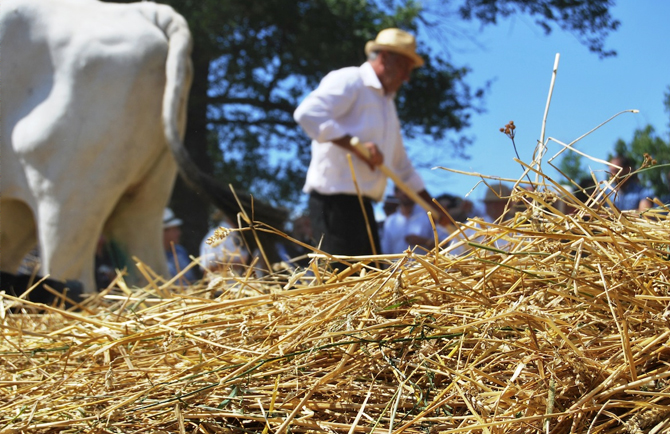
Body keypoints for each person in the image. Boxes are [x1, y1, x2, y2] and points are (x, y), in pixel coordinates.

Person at [294, 28, 445, 257]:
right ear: (385, 58)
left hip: (363, 206)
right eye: (405, 68)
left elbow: (401, 166)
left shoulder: (388, 106)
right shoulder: (350, 80)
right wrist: (355, 145)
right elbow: (308, 114)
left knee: (370, 282)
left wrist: (434, 208)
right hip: (333, 202)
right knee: (343, 280)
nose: (407, 77)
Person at [381, 186, 442, 254]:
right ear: (396, 193)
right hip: (397, 264)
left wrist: (425, 241)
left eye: (409, 188)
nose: (405, 192)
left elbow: (445, 246)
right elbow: (386, 252)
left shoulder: (429, 215)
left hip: (424, 264)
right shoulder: (390, 221)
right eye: (402, 189)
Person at [199, 210, 249, 276]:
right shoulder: (217, 235)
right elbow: (208, 268)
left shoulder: (235, 234)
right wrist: (241, 263)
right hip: (226, 285)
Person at [163, 208, 198, 282]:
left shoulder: (180, 251)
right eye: (174, 230)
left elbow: (191, 280)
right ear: (163, 232)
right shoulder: (155, 257)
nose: (179, 233)